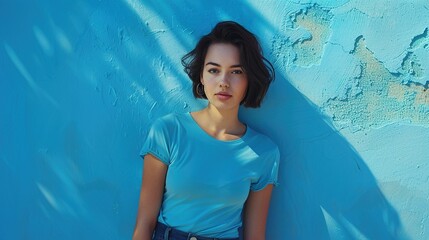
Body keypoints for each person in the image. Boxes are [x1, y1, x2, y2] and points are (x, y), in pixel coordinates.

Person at [133, 21, 280, 240]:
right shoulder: (169, 131)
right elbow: (145, 223)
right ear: (201, 76)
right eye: (214, 70)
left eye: (236, 71)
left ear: (249, 79)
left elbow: (255, 236)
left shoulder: (264, 152)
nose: (223, 81)